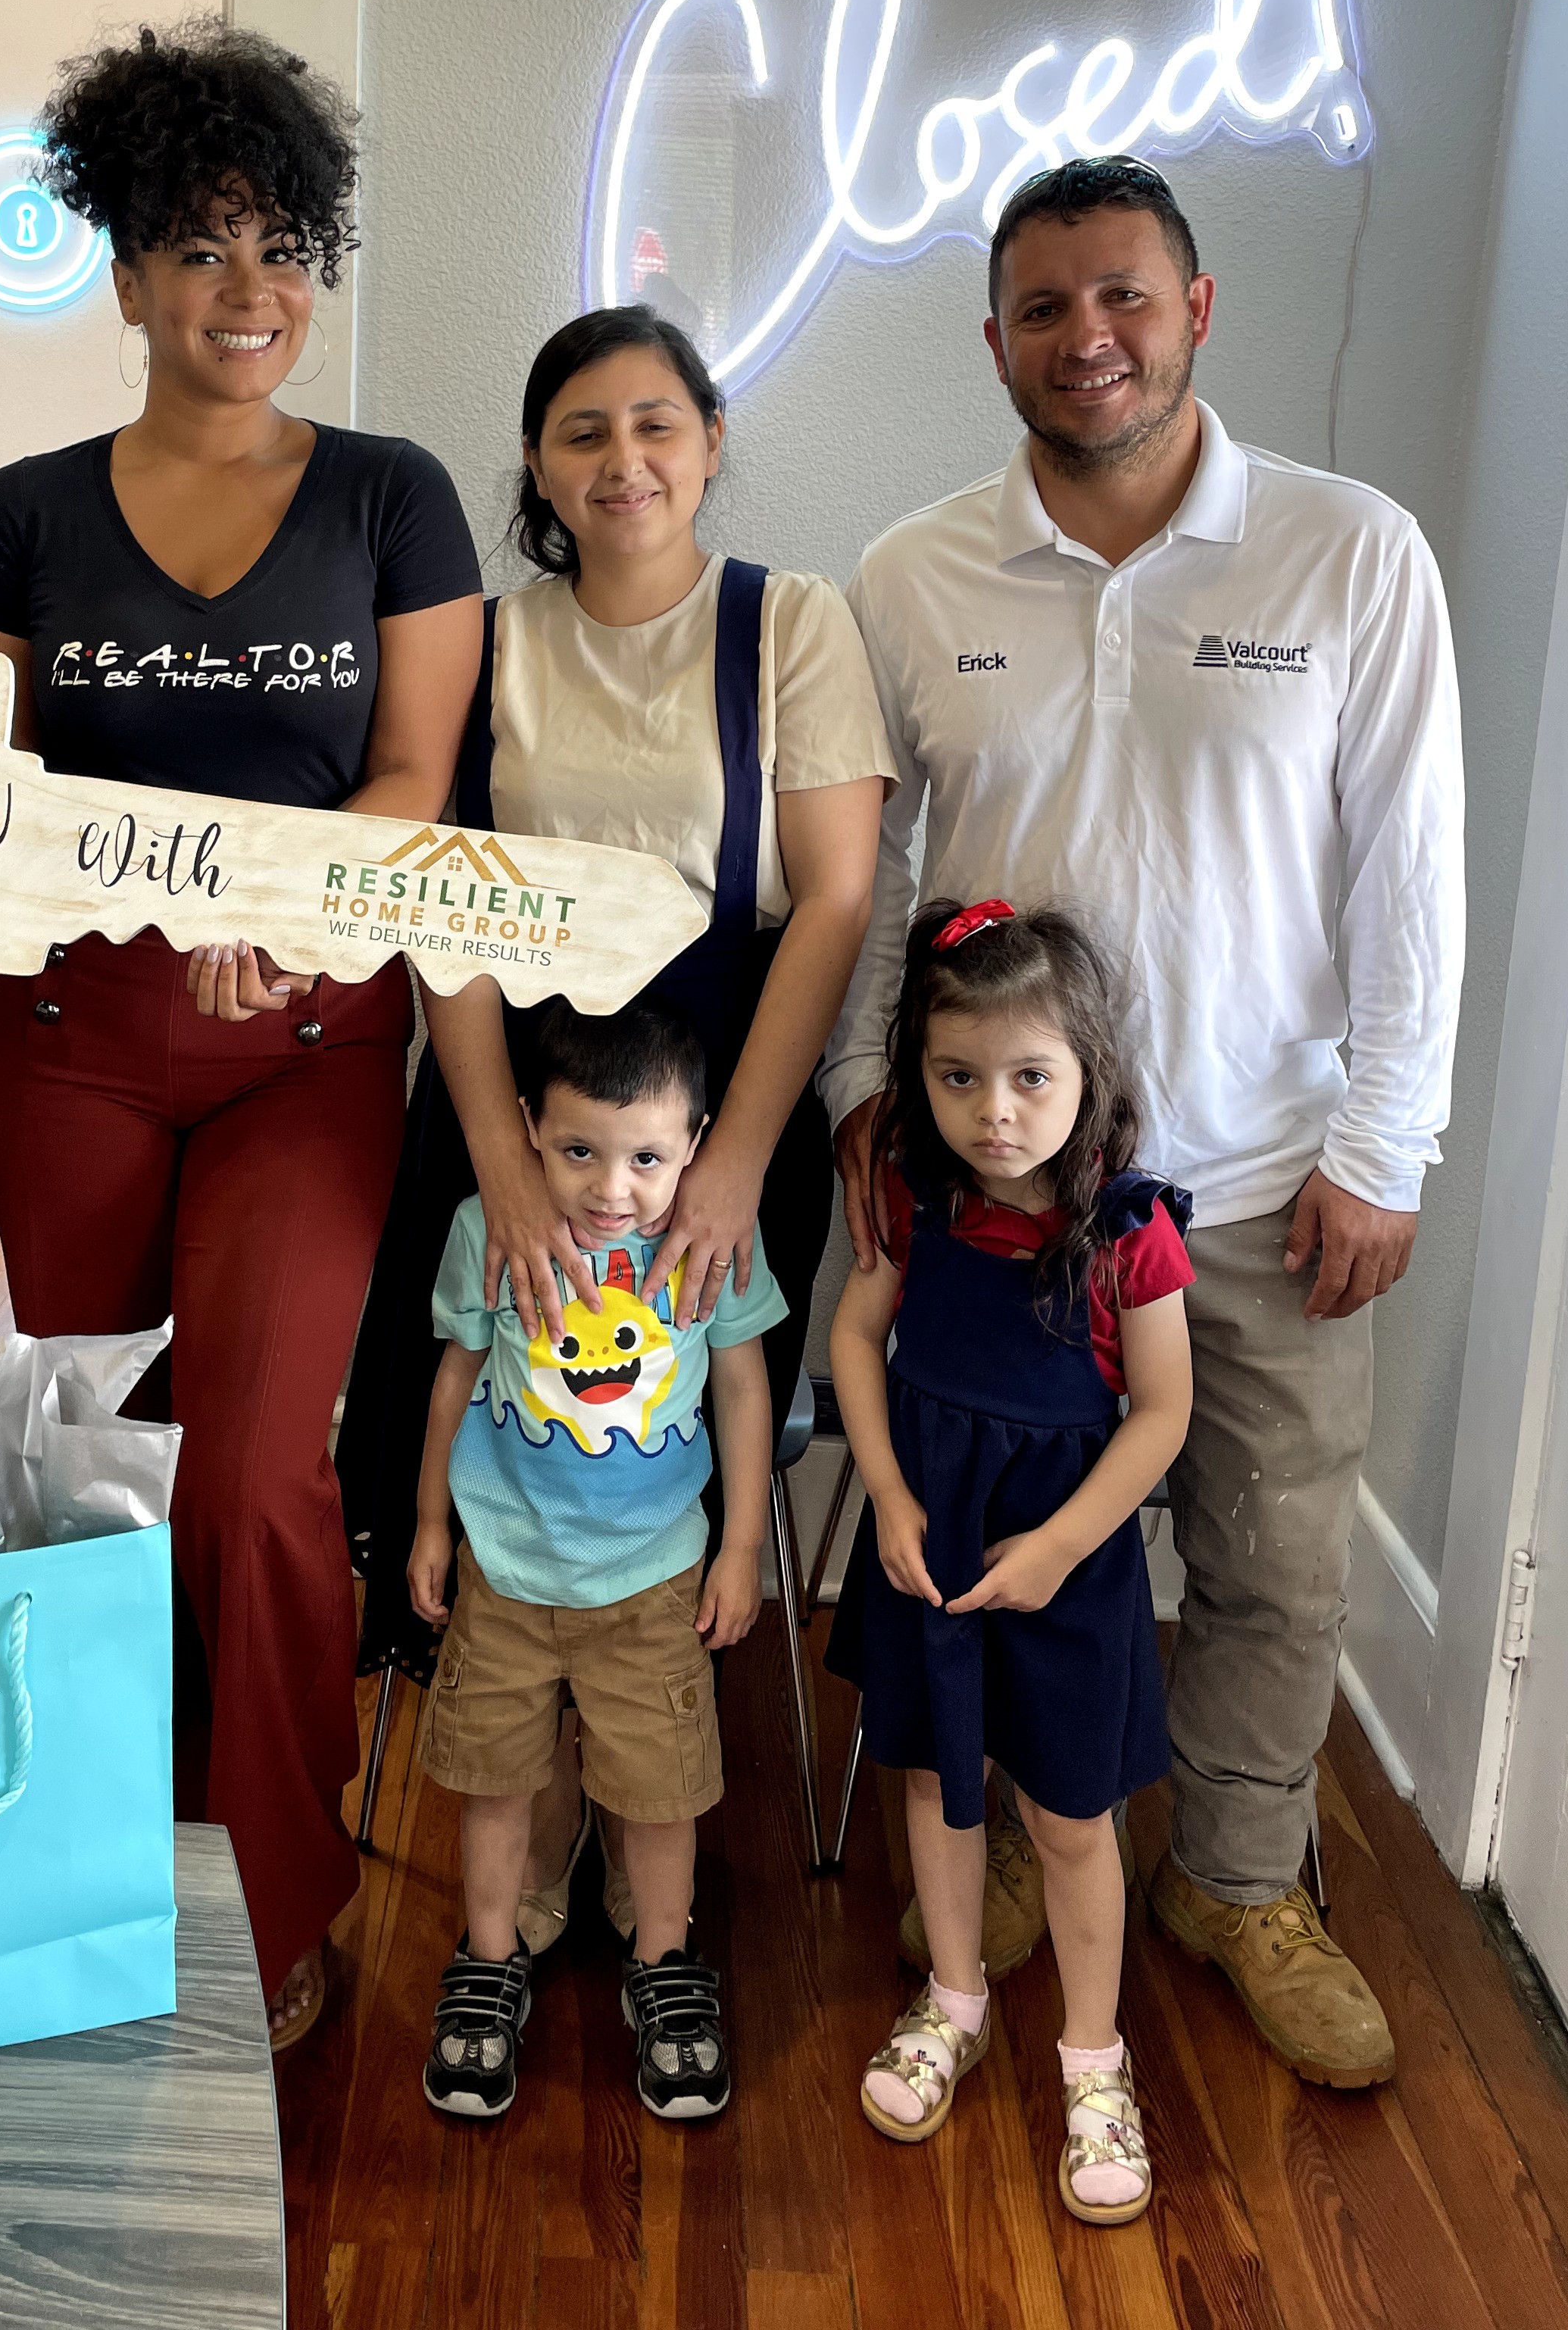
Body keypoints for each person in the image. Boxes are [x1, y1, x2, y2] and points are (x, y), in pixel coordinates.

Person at [824, 153, 1464, 2088]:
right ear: (994, 339)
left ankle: (1242, 1883)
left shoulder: (1351, 554)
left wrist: (1386, 1145)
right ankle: (1037, 1837)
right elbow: (876, 878)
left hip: (1257, 1181)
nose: (1085, 338)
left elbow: (1412, 871)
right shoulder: (912, 575)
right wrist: (864, 1096)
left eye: (1123, 296)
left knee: (1272, 1564)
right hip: (994, 1201)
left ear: (1198, 308)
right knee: (1009, 1539)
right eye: (1043, 306)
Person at [0, 20, 483, 2053]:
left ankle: (266, 1898)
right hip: (71, 1035)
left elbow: (416, 773)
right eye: (196, 248)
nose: (245, 290)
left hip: (309, 1041)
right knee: (103, 1463)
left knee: (256, 1472)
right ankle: (107, 1856)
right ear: (126, 277)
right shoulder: (21, 515)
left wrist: (290, 902)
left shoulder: (391, 497)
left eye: (279, 249)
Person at [336, 302, 892, 1949]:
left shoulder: (791, 624)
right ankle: (531, 1799)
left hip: (721, 1114)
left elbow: (835, 900)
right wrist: (502, 1163)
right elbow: (435, 897)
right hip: (510, 1106)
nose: (622, 459)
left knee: (664, 1441)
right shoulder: (484, 636)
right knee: (489, 1412)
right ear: (536, 462)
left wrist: (731, 1167)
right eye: (582, 430)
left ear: (712, 444)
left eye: (657, 424)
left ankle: (648, 1790)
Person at [829, 899, 1193, 2225]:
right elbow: (857, 1340)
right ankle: (955, 1998)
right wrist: (885, 1493)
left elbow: (1162, 1414)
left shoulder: (1132, 1233)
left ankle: (1095, 2062)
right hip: (929, 1547)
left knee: (1071, 1818)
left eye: (1031, 1078)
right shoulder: (917, 1201)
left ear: (1088, 1069)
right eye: (958, 1078)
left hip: (1064, 1572)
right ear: (919, 1076)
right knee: (937, 1778)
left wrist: (1058, 1548)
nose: (994, 1112)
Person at [413, 1003, 782, 2124]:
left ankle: (664, 1962)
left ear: (696, 1143)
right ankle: (489, 1959)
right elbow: (453, 1377)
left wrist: (744, 1546)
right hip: (505, 1573)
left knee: (662, 1792)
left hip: (654, 1580)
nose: (612, 1189)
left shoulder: (712, 1241)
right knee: (495, 1778)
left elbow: (745, 1386)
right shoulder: (487, 1229)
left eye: (646, 1159)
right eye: (579, 1150)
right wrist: (430, 1525)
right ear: (529, 1127)